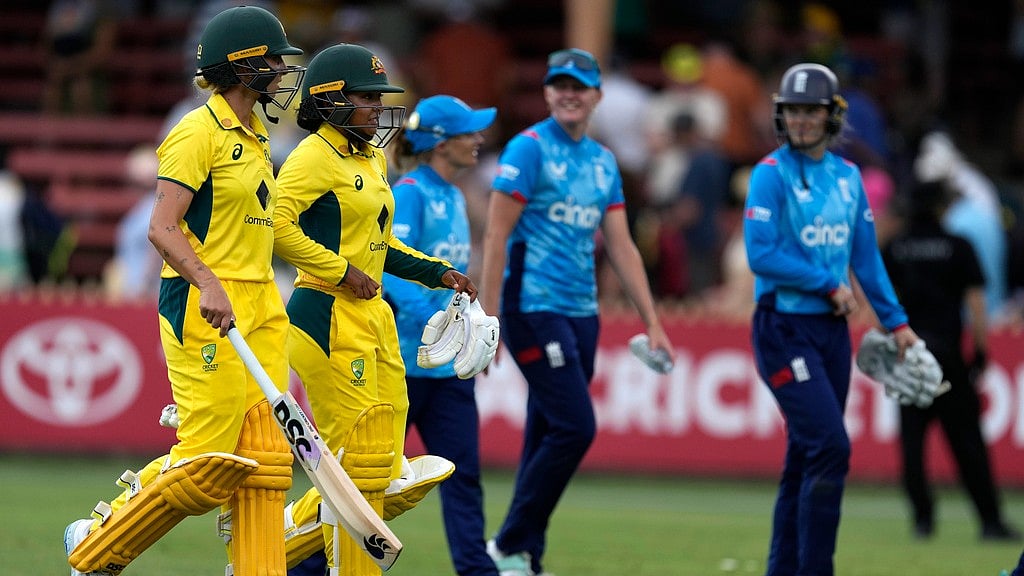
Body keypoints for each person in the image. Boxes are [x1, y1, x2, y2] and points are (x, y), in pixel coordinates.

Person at [63, 6, 305, 576]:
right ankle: (95, 543)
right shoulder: (196, 131)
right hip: (203, 302)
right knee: (207, 464)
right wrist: (210, 284)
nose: (280, 72)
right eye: (272, 61)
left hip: (260, 301)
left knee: (266, 454)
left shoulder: (260, 131)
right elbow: (161, 227)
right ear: (242, 66)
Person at [271, 44, 476, 576]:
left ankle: (284, 543)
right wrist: (340, 271)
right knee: (356, 460)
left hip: (371, 315)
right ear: (331, 99)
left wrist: (436, 271)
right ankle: (280, 553)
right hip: (325, 312)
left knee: (383, 465)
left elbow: (380, 246)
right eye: (365, 97)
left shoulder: (371, 157)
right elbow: (276, 225)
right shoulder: (312, 156)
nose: (377, 108)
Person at [479, 48, 674, 576]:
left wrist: (652, 321)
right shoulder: (529, 149)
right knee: (575, 428)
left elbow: (622, 245)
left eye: (579, 86)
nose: (569, 93)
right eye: (559, 84)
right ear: (546, 92)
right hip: (531, 307)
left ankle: (523, 556)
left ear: (597, 96)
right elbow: (496, 238)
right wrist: (489, 318)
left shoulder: (603, 162)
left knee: (545, 433)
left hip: (581, 314)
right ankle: (507, 542)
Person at [743, 62, 921, 576]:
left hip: (830, 334)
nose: (800, 120)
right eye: (793, 111)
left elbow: (866, 258)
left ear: (831, 115)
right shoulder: (769, 174)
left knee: (804, 456)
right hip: (782, 328)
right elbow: (761, 255)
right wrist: (826, 283)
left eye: (811, 111)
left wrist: (898, 322)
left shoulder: (847, 179)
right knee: (829, 446)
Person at [379, 94, 500, 576]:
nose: (479, 141)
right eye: (469, 133)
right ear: (439, 142)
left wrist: (468, 328)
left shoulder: (452, 194)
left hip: (446, 367)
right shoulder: (410, 191)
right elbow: (388, 269)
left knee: (463, 475)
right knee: (371, 479)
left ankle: (477, 570)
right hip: (403, 363)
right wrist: (437, 322)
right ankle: (306, 566)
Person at [882, 180, 1019, 542]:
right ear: (942, 208)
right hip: (947, 358)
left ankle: (922, 521)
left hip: (910, 356)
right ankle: (989, 521)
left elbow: (883, 303)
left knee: (913, 444)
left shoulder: (896, 248)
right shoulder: (958, 246)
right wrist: (980, 349)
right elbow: (975, 301)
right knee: (967, 442)